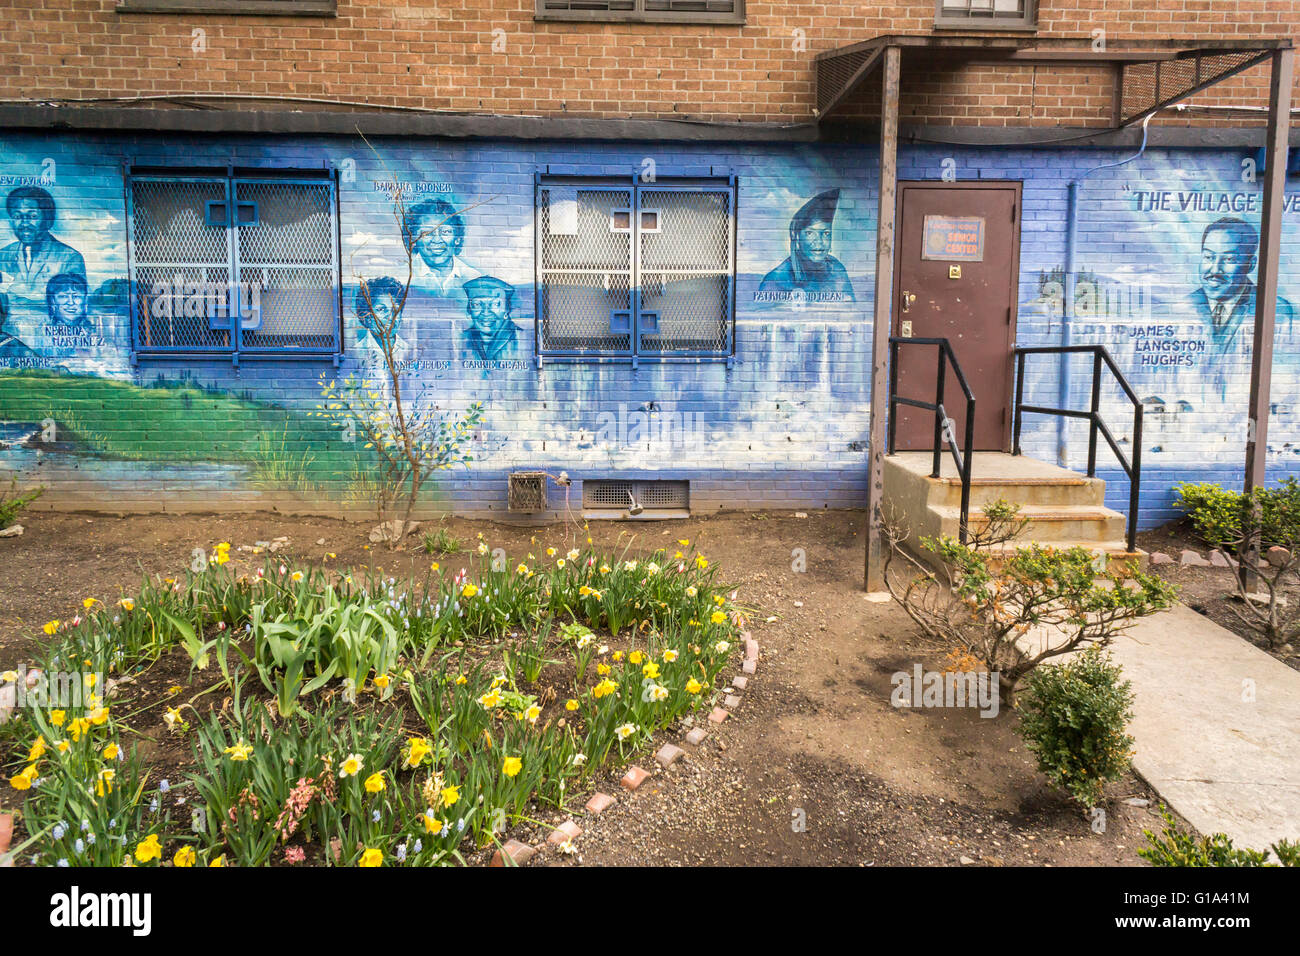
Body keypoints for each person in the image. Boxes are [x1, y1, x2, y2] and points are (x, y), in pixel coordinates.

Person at [1183, 216, 1296, 401]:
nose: (1215, 269)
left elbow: (1286, 378)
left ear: (1250, 264)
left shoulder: (1277, 311)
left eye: (1228, 259)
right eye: (1209, 257)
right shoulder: (1183, 306)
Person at [759, 188, 854, 301]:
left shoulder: (837, 270)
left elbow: (852, 307)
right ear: (797, 236)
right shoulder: (776, 280)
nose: (819, 241)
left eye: (826, 233)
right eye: (810, 233)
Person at [0, 186, 86, 302]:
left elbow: (73, 303)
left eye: (33, 216)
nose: (24, 223)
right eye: (17, 216)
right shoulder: (4, 255)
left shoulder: (69, 258)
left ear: (48, 219)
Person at [403, 199, 481, 297]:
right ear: (413, 240)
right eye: (427, 233)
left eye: (445, 232)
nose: (437, 240)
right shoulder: (402, 278)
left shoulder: (474, 278)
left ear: (457, 238)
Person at [461, 275, 519, 361]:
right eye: (477, 304)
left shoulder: (521, 338)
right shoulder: (462, 338)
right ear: (470, 311)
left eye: (495, 304)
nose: (486, 312)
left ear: (506, 310)